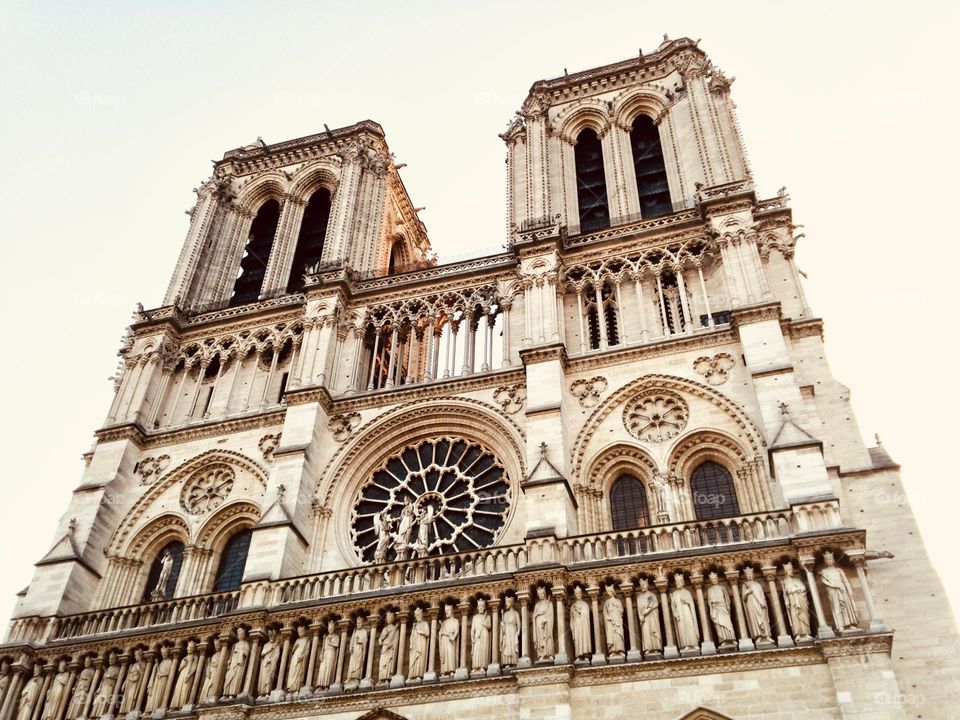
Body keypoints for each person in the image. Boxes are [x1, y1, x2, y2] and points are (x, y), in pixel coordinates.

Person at [602, 585, 625, 657]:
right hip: (610, 622)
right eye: (607, 592)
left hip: (617, 621)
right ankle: (612, 650)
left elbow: (621, 611)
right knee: (611, 635)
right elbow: (604, 613)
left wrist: (615, 607)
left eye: (609, 591)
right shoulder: (607, 602)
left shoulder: (618, 601)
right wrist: (608, 617)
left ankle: (620, 650)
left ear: (612, 592)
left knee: (618, 635)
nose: (608, 593)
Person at [532, 586, 554, 661]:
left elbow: (551, 614)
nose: (541, 595)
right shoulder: (537, 605)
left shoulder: (549, 603)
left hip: (546, 623)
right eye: (539, 594)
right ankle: (541, 655)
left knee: (548, 638)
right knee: (540, 639)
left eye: (542, 594)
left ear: (544, 594)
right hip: (538, 624)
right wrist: (538, 615)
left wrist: (546, 620)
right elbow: (534, 615)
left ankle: (549, 654)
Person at [499, 596, 520, 667]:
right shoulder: (504, 614)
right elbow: (503, 629)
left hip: (513, 632)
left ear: (511, 603)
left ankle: (514, 662)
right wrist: (502, 625)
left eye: (507, 603)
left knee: (513, 647)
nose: (506, 604)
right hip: (507, 633)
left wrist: (518, 633)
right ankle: (507, 662)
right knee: (507, 647)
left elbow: (519, 625)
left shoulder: (516, 613)